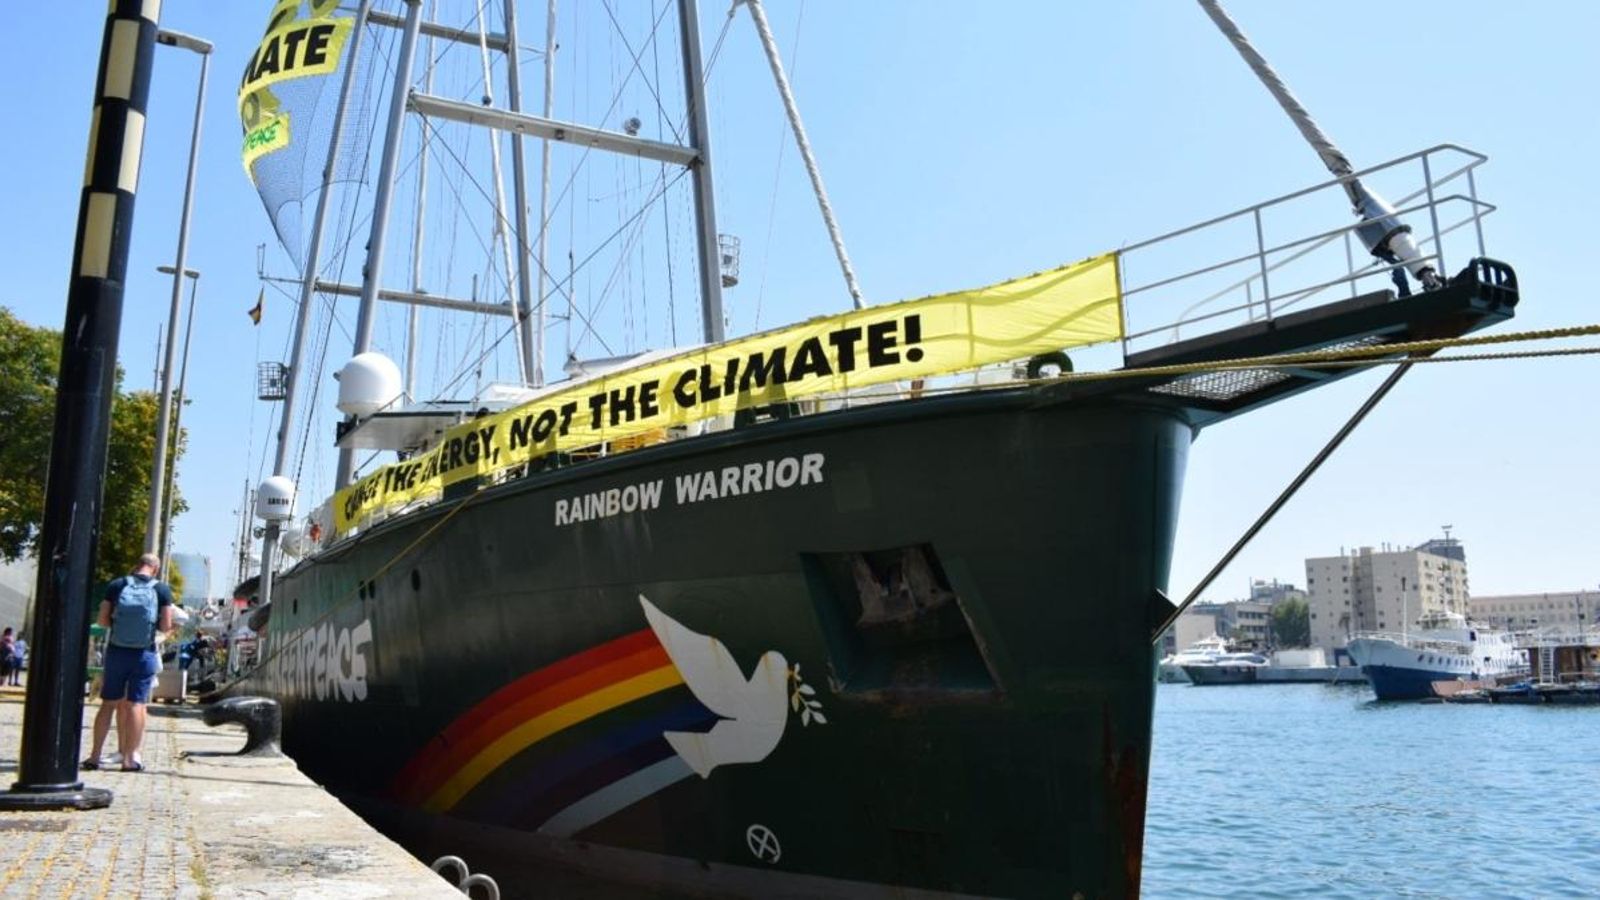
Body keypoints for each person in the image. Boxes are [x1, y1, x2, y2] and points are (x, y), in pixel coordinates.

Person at [82, 553, 174, 772]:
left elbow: (102, 621)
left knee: (108, 704)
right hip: (144, 654)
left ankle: (94, 757)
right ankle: (130, 759)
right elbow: (165, 625)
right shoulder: (161, 590)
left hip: (117, 652)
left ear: (137, 566)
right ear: (156, 569)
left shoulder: (117, 585)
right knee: (136, 704)